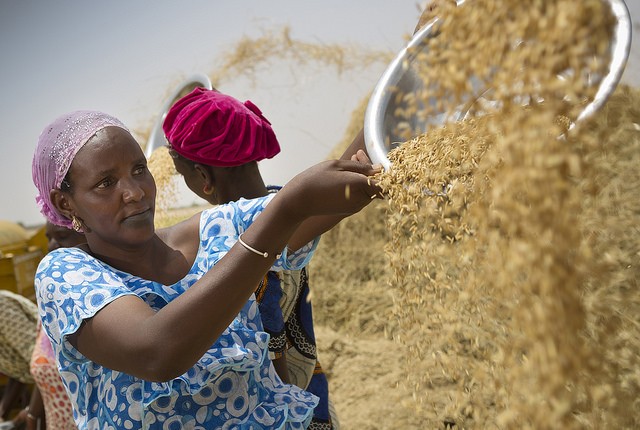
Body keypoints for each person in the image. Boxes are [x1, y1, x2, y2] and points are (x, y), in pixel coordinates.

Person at [31, 110, 381, 429]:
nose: (135, 192)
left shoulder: (215, 230)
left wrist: (410, 71)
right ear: (65, 202)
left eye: (139, 169)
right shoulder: (65, 273)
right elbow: (157, 353)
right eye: (106, 183)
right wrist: (286, 210)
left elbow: (326, 193)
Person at [162, 87, 354, 429]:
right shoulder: (285, 206)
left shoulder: (243, 237)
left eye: (183, 174)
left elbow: (272, 352)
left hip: (279, 414)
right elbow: (353, 170)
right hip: (310, 395)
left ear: (204, 177)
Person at [23, 222, 85, 430]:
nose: (51, 246)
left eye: (62, 236)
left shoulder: (107, 307)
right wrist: (32, 417)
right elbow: (46, 369)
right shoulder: (51, 304)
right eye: (48, 237)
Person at [0, 289, 38, 428]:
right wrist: (2, 414)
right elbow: (19, 371)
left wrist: (31, 414)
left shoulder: (2, 309)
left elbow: (44, 363)